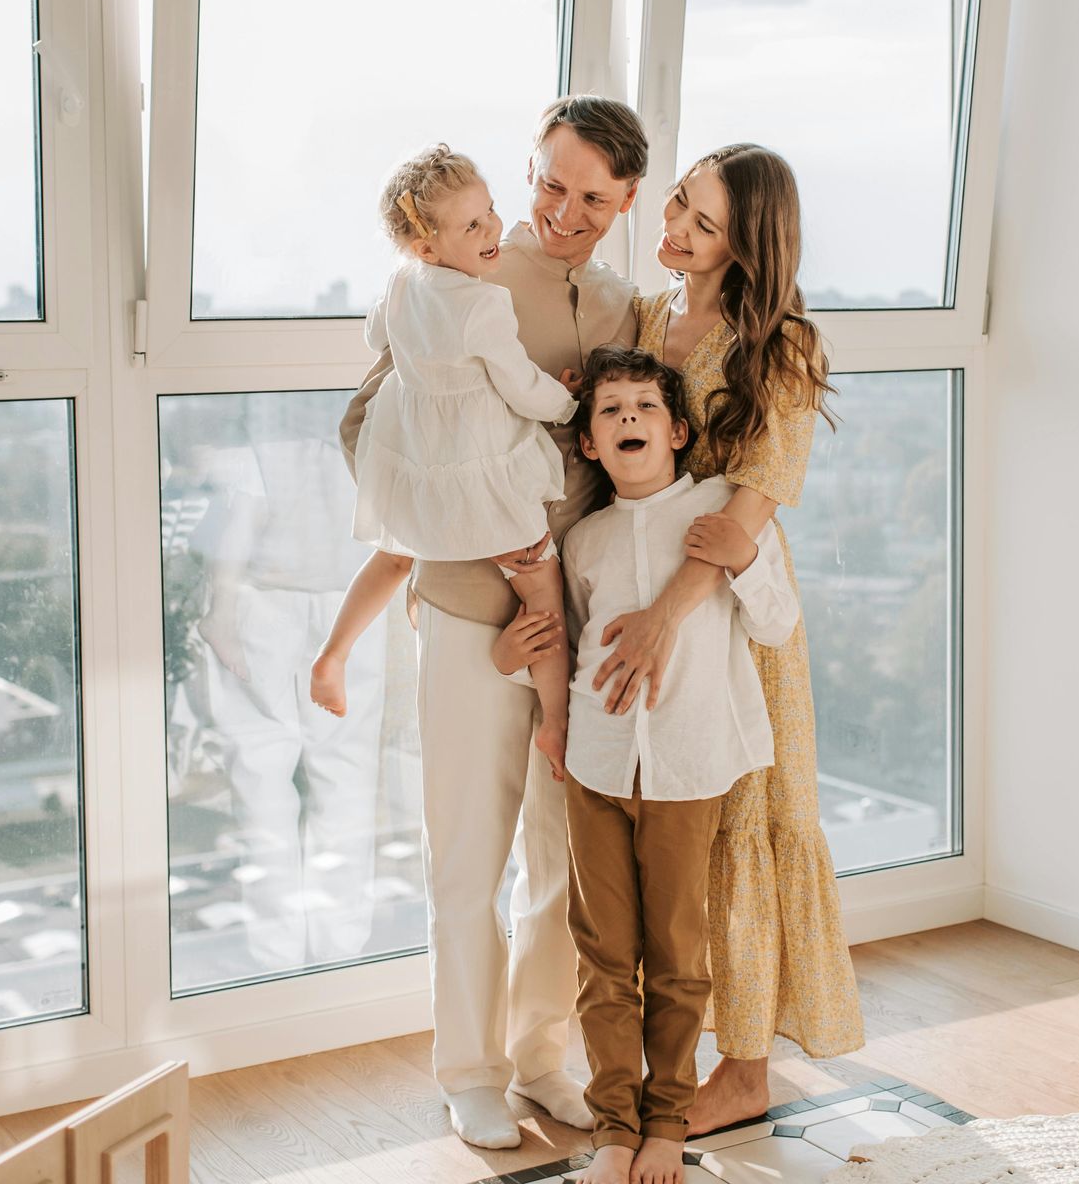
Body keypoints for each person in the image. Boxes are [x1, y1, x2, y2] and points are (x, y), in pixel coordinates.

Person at [339, 96, 646, 1149]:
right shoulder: (456, 281)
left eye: (593, 196)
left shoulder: (618, 305)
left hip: (575, 625)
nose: (564, 210)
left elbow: (619, 451)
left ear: (625, 201)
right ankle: (467, 1069)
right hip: (473, 615)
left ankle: (540, 1055)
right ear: (528, 174)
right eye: (551, 183)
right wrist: (477, 567)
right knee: (466, 856)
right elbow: (374, 428)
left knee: (562, 864)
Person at [582, 143, 867, 1133]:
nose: (676, 230)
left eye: (702, 223)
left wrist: (668, 615)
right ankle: (685, 1060)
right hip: (654, 580)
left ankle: (745, 1067)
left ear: (747, 240)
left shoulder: (781, 343)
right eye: (676, 207)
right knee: (679, 833)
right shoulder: (654, 316)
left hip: (734, 610)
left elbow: (740, 517)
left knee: (746, 817)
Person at [547, 345, 800, 1184]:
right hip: (597, 765)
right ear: (589, 444)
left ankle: (667, 1120)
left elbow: (773, 624)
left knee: (679, 954)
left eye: (644, 408)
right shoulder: (581, 541)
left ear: (680, 431)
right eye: (610, 410)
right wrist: (522, 659)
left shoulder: (723, 511)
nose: (626, 419)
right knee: (604, 954)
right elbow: (580, 648)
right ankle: (614, 1126)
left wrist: (744, 555)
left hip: (690, 771)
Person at [313, 145, 577, 772]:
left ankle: (334, 653)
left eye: (488, 213)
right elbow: (519, 385)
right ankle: (557, 722)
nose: (491, 230)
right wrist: (569, 404)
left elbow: (375, 335)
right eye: (472, 226)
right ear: (427, 246)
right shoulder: (485, 305)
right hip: (483, 470)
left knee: (395, 554)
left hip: (416, 457)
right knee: (542, 584)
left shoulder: (402, 281)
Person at [189, 394, 386, 976]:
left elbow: (236, 534)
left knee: (261, 782)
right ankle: (340, 945)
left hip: (267, 606)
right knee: (346, 780)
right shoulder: (365, 440)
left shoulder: (265, 442)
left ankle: (275, 956)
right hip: (353, 608)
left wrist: (219, 614)